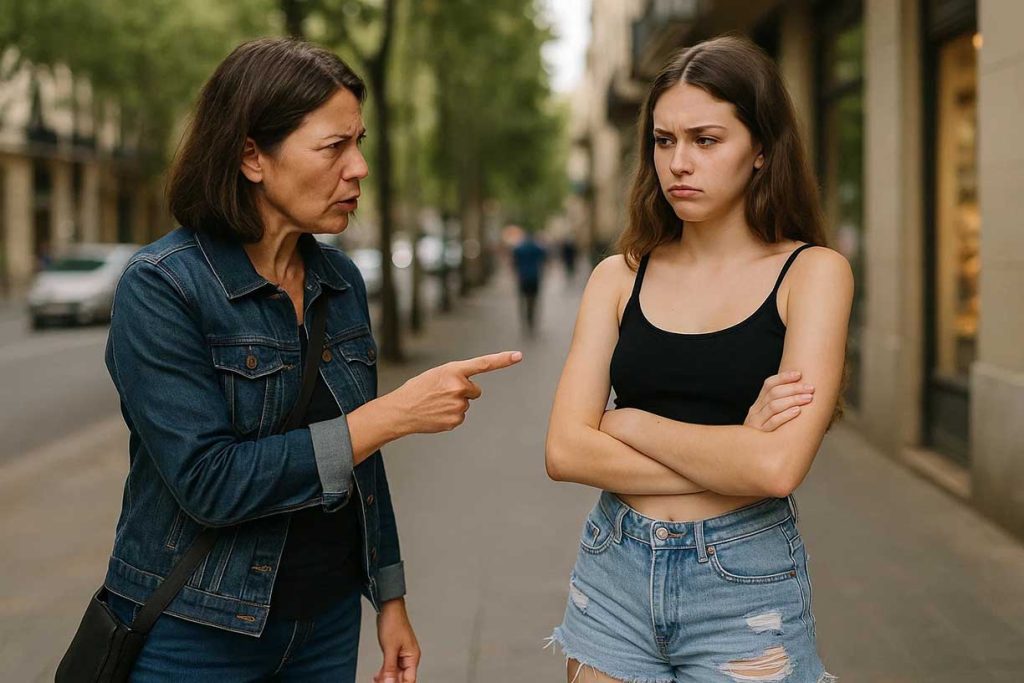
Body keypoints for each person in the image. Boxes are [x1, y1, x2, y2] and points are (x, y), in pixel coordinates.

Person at [100, 38, 520, 682]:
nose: (359, 168)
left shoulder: (339, 280)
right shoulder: (163, 286)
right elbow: (210, 482)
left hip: (325, 627)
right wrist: (393, 415)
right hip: (198, 632)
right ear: (251, 156)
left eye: (360, 142)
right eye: (333, 147)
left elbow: (360, 467)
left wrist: (389, 596)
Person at [545, 36, 849, 682]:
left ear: (762, 149)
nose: (679, 162)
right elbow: (566, 451)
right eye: (664, 140)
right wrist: (735, 446)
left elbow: (775, 468)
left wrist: (627, 424)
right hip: (613, 568)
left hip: (744, 582)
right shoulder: (617, 276)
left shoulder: (813, 275)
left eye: (706, 140)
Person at [511, 229, 548, 334]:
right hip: (534, 276)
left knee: (523, 299)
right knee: (533, 299)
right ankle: (531, 318)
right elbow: (544, 258)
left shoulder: (519, 248)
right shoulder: (537, 247)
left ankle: (526, 319)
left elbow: (514, 262)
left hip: (523, 277)